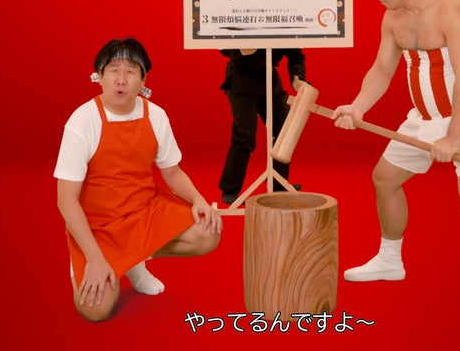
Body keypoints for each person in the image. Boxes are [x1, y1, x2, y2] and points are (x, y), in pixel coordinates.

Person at [329, 0, 460, 335]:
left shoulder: (451, 8)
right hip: (422, 120)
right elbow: (382, 69)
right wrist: (358, 107)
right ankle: (390, 259)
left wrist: (453, 136)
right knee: (384, 179)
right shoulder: (392, 17)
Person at [55, 38, 223, 322]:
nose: (121, 79)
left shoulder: (156, 115)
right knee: (95, 310)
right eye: (113, 70)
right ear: (98, 76)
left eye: (131, 71)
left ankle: (133, 262)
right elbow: (66, 200)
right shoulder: (82, 121)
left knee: (209, 233)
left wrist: (198, 199)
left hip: (144, 212)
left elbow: (172, 172)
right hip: (99, 226)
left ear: (143, 80)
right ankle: (96, 259)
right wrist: (94, 259)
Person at [217, 47, 309, 205]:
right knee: (244, 137)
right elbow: (223, 44)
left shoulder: (285, 31)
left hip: (270, 82)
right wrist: (238, 51)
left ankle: (278, 183)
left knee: (285, 129)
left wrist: (297, 78)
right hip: (241, 81)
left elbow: (296, 54)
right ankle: (230, 189)